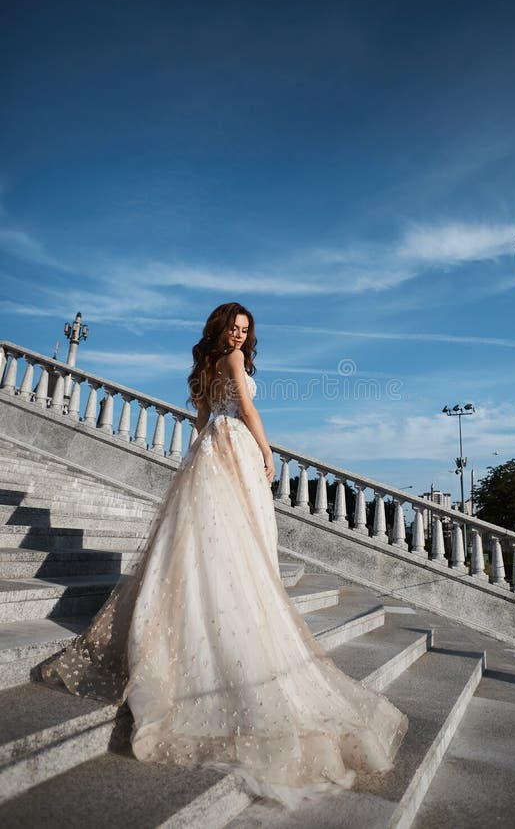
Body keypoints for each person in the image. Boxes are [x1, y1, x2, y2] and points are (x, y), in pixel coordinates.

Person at [41, 302, 407, 807]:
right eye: (233, 329)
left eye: (244, 331)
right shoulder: (233, 365)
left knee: (209, 547)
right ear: (220, 329)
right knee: (237, 545)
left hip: (210, 452)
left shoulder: (202, 368)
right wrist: (266, 451)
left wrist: (200, 459)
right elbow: (248, 411)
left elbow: (199, 420)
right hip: (233, 446)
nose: (239, 337)